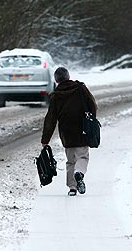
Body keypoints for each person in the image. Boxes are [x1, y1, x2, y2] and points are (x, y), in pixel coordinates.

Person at [41, 67, 98, 196]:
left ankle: (72, 188)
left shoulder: (55, 95)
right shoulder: (80, 88)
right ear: (69, 76)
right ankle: (79, 173)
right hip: (82, 128)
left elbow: (50, 118)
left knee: (70, 160)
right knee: (82, 156)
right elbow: (93, 105)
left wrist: (45, 140)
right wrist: (91, 121)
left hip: (66, 132)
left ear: (56, 80)